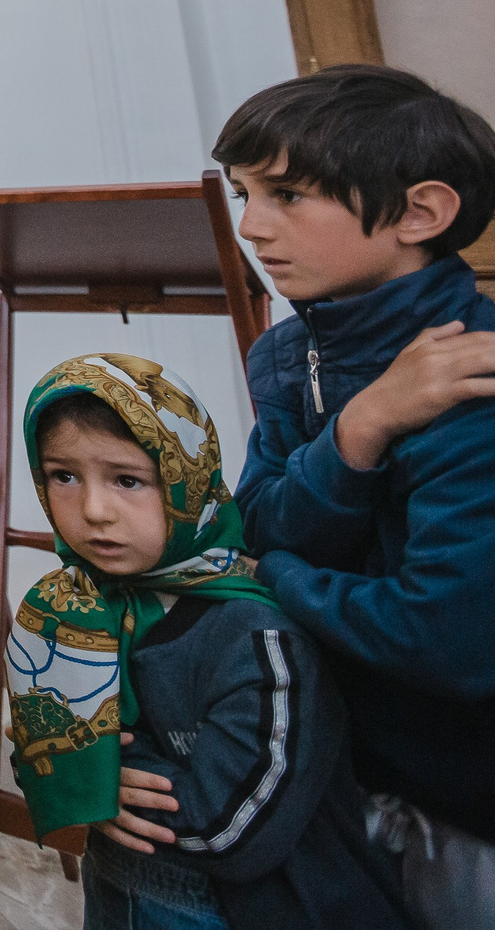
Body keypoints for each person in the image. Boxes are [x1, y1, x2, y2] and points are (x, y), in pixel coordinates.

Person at [220, 66, 495, 928]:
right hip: (343, 766)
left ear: (420, 212)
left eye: (288, 194)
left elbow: (446, 635)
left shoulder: (473, 375)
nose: (252, 225)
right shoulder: (287, 354)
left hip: (465, 792)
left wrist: (278, 577)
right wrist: (359, 428)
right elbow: (255, 516)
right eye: (242, 192)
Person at [5, 353, 413, 928]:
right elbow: (32, 745)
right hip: (119, 899)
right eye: (63, 476)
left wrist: (93, 778)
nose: (93, 511)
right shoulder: (66, 612)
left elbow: (232, 830)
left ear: (184, 478)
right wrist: (82, 780)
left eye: (127, 480)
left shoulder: (257, 638)